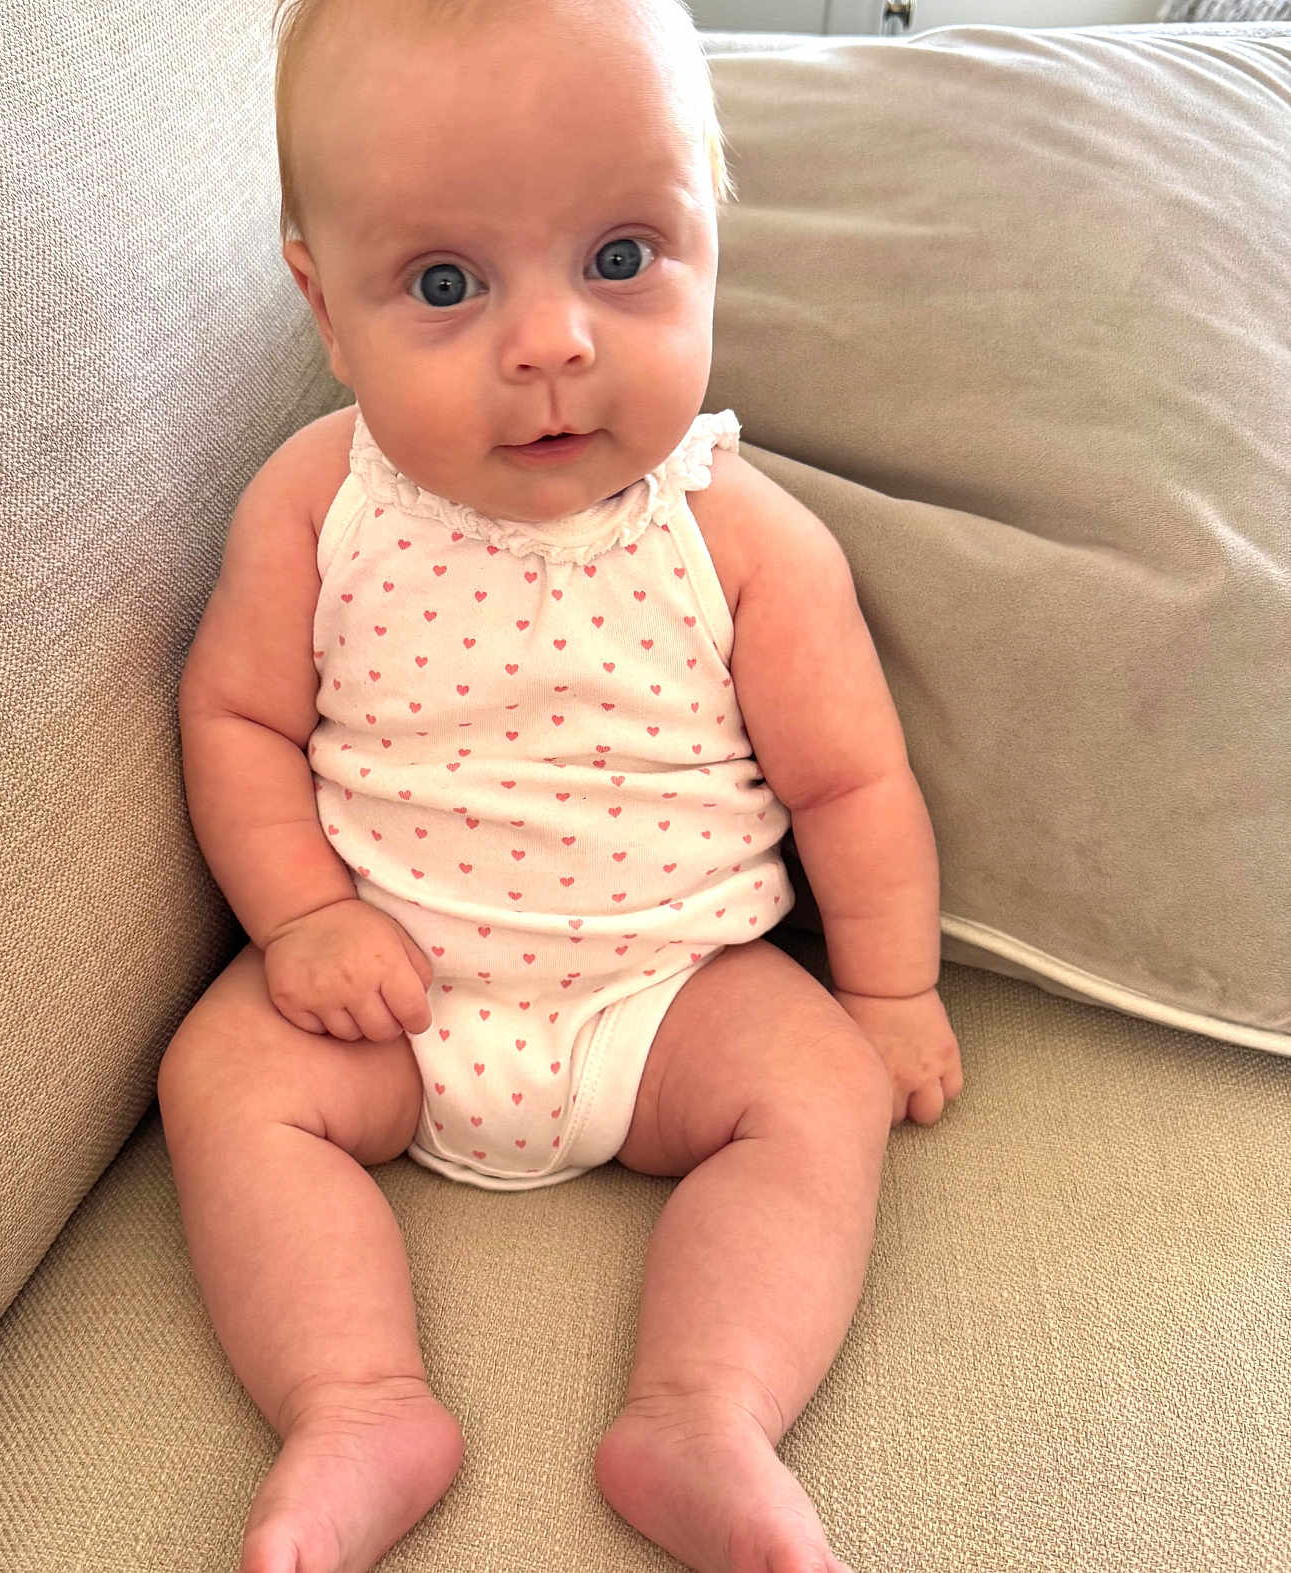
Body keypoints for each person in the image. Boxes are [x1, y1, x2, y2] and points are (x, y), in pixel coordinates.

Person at [157, 0, 964, 1568]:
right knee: (222, 1080)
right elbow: (236, 717)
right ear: (325, 310)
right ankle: (354, 1403)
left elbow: (853, 786)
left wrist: (887, 993)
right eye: (446, 284)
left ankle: (704, 1408)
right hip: (387, 995)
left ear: (709, 239)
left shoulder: (740, 535)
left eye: (618, 258)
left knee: (814, 1095)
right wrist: (302, 917)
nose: (550, 345)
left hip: (672, 995)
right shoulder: (314, 504)